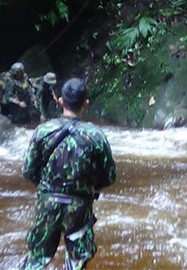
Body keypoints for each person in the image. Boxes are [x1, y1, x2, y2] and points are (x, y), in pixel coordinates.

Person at [21, 78, 117, 270]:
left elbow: (29, 170)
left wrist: (47, 188)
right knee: (77, 261)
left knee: (37, 259)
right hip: (80, 205)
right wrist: (89, 186)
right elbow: (109, 176)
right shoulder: (96, 136)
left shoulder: (42, 131)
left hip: (47, 202)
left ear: (59, 101)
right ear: (86, 104)